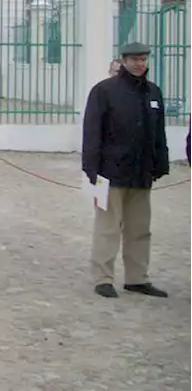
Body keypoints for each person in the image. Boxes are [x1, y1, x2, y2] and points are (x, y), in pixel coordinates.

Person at [83, 41, 169, 299]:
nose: (139, 64)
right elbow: (92, 132)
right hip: (111, 171)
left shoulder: (153, 92)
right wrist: (91, 168)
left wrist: (160, 162)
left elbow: (158, 133)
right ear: (123, 61)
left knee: (140, 229)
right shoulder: (104, 91)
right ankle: (103, 278)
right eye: (134, 59)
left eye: (143, 59)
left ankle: (137, 278)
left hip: (142, 172)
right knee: (108, 228)